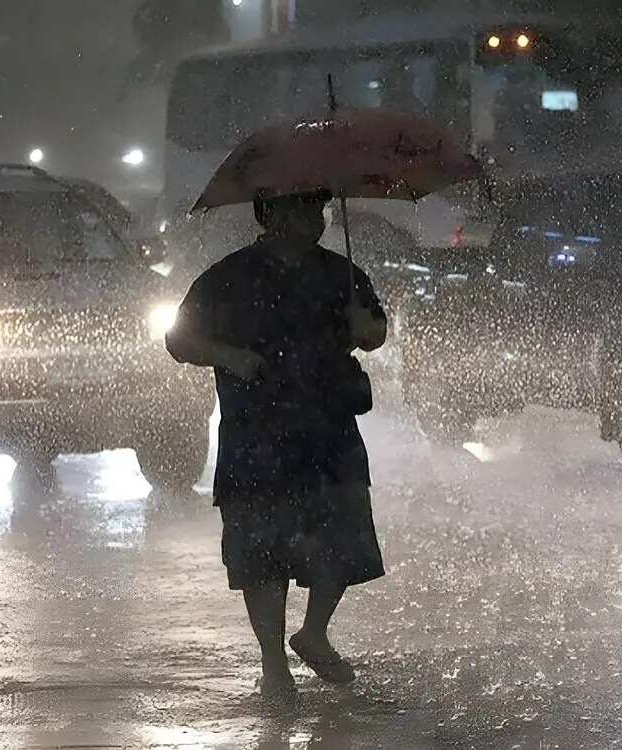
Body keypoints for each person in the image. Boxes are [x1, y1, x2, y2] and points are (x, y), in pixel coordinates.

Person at [166, 189, 388, 707]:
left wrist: (367, 328)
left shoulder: (342, 274)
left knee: (341, 539)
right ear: (272, 215)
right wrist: (229, 355)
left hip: (328, 431)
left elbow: (375, 331)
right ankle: (273, 665)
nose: (317, 218)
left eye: (319, 208)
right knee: (261, 556)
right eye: (305, 208)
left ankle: (313, 634)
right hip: (257, 436)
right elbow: (179, 341)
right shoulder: (228, 278)